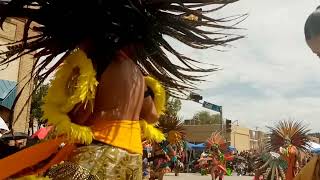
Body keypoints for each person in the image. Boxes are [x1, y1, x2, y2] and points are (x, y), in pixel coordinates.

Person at [0, 0, 243, 179]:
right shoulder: (141, 78)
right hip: (132, 160)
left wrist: (63, 121)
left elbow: (82, 112)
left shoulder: (97, 61)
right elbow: (151, 117)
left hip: (99, 153)